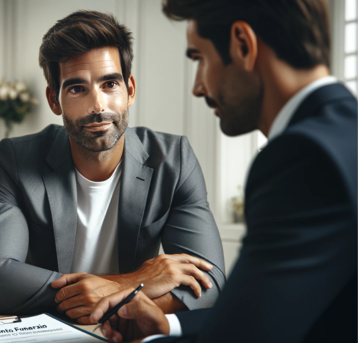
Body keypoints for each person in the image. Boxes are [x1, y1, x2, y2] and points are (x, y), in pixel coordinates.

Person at [90, 0, 357, 342]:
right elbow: (281, 312)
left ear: (243, 45)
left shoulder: (304, 156)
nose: (198, 87)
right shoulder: (344, 135)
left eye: (199, 59)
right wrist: (169, 326)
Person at [0, 10, 226, 324]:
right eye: (77, 88)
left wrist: (113, 295)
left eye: (109, 84)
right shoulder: (15, 160)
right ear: (55, 100)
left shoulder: (174, 160)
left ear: (130, 90)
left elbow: (209, 283)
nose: (98, 106)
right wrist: (135, 281)